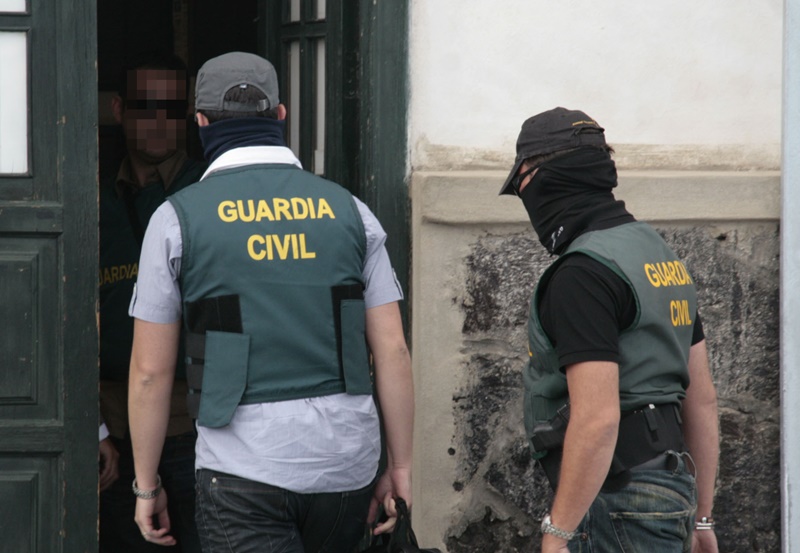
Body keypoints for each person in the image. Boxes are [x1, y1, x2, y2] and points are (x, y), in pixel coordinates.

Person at [127, 51, 414, 552]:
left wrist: (147, 485)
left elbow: (150, 372)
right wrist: (401, 466)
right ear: (280, 115)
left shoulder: (176, 220)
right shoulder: (351, 211)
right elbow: (392, 349)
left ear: (200, 123)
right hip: (346, 468)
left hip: (242, 470)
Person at [499, 107, 720, 553]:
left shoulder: (583, 273)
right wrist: (701, 516)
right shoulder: (657, 255)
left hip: (619, 498)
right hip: (671, 489)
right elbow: (701, 399)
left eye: (522, 182)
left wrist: (558, 533)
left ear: (542, 178)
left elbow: (598, 418)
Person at [99, 51, 205, 552]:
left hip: (197, 428)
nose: (159, 120)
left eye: (172, 108)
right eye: (145, 106)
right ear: (120, 109)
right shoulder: (92, 198)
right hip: (112, 429)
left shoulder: (208, 194)